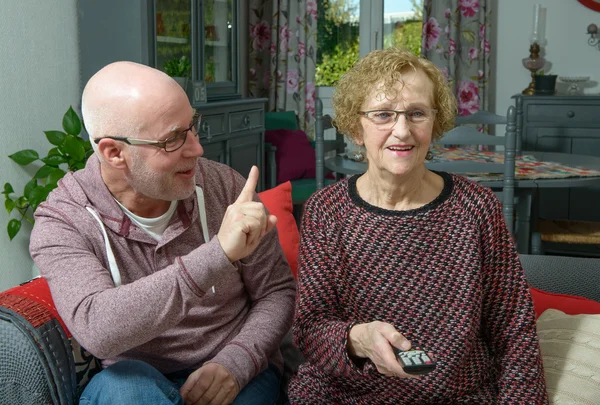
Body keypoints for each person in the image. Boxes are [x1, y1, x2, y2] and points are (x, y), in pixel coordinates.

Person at [287, 48, 548, 404]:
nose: (402, 130)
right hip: (344, 395)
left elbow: (514, 330)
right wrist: (357, 338)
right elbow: (309, 328)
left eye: (417, 114)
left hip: (458, 396)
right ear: (356, 127)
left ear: (434, 123)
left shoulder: (476, 208)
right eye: (383, 114)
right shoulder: (326, 211)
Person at [29, 61, 296, 405]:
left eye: (192, 127)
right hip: (136, 378)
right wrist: (219, 255)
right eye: (172, 139)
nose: (197, 149)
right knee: (123, 391)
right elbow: (99, 330)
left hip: (234, 367)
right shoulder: (63, 220)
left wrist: (237, 362)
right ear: (114, 153)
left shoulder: (224, 186)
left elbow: (276, 292)